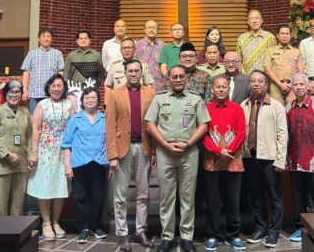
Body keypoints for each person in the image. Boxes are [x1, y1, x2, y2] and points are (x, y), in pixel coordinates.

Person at [145, 65, 211, 252]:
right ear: (169, 79)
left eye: (182, 76)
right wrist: (165, 145)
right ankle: (167, 237)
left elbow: (204, 126)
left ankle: (186, 237)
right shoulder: (159, 98)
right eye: (175, 77)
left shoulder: (195, 99)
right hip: (165, 153)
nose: (179, 79)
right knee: (166, 198)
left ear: (186, 79)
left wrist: (188, 144)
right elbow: (150, 124)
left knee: (187, 197)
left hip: (188, 153)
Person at [106, 59, 156, 251]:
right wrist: (112, 155)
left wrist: (154, 151)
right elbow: (109, 125)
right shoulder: (115, 94)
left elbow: (154, 124)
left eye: (137, 71)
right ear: (125, 73)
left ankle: (140, 231)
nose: (134, 74)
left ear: (141, 73)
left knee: (144, 194)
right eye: (130, 71)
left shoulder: (150, 93)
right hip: (122, 150)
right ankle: (122, 234)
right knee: (120, 195)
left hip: (143, 147)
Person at [241, 70, 287, 248]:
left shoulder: (276, 106)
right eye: (253, 81)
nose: (256, 84)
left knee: (275, 196)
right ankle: (261, 227)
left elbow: (283, 134)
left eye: (260, 81)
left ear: (266, 85)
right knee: (256, 195)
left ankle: (274, 230)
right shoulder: (244, 105)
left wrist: (280, 159)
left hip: (269, 157)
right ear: (249, 85)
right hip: (250, 156)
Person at [27, 74, 75, 240]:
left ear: (64, 88)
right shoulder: (42, 104)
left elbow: (74, 127)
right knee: (45, 186)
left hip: (64, 151)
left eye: (59, 86)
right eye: (53, 86)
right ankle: (46, 223)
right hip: (45, 151)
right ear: (48, 88)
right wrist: (34, 152)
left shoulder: (68, 104)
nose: (56, 89)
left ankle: (56, 222)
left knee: (60, 187)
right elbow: (35, 128)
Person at [202, 75, 247, 251]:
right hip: (212, 160)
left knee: (232, 200)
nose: (221, 89)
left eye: (224, 86)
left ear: (229, 89)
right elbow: (203, 134)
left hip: (233, 160)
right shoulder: (205, 109)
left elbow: (241, 132)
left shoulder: (237, 109)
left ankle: (232, 235)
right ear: (212, 89)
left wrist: (229, 150)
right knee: (212, 200)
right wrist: (218, 150)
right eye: (217, 86)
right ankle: (212, 234)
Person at [285, 73, 314, 243]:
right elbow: (285, 135)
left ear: (307, 86)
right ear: (291, 87)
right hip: (295, 161)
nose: (298, 87)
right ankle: (300, 228)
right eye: (295, 84)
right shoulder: (288, 108)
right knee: (299, 198)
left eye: (301, 84)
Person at [62, 87, 109, 243]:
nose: (90, 100)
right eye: (87, 98)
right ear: (82, 100)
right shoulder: (75, 119)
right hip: (79, 164)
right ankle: (83, 228)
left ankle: (95, 227)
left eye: (93, 98)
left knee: (98, 197)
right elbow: (66, 144)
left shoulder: (104, 118)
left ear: (98, 101)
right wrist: (67, 166)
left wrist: (110, 162)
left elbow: (109, 142)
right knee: (80, 197)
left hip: (99, 164)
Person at [0, 81, 31, 216]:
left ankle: (15, 229)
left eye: (17, 92)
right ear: (5, 94)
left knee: (17, 206)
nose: (14, 95)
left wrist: (30, 155)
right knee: (0, 207)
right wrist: (8, 155)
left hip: (20, 164)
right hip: (1, 165)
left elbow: (29, 137)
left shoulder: (25, 113)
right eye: (11, 92)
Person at [21, 27, 65, 115]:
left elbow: (61, 73)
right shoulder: (31, 53)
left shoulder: (57, 53)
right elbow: (26, 73)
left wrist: (60, 89)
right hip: (34, 94)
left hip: (52, 93)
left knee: (51, 119)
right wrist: (25, 90)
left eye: (49, 36)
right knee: (33, 119)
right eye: (43, 36)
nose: (46, 38)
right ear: (39, 39)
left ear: (52, 39)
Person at [104, 38, 154, 102]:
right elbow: (108, 86)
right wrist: (106, 103)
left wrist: (147, 101)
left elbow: (149, 84)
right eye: (124, 48)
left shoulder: (142, 65)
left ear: (134, 50)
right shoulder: (114, 66)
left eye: (130, 48)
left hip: (138, 101)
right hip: (118, 102)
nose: (127, 50)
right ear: (120, 50)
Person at [264, 25, 304, 105]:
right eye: (282, 33)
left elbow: (301, 70)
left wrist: (292, 84)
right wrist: (280, 84)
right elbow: (267, 70)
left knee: (293, 109)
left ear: (290, 36)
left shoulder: (297, 52)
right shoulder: (270, 51)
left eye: (287, 33)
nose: (284, 36)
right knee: (277, 109)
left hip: (292, 87)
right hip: (275, 87)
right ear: (277, 35)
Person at [237, 9, 276, 74]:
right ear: (248, 22)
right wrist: (242, 74)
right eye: (252, 18)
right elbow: (238, 59)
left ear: (261, 21)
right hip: (246, 76)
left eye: (257, 18)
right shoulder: (241, 38)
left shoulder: (270, 37)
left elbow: (274, 59)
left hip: (265, 76)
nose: (254, 21)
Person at [135, 20, 166, 91]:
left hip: (160, 85)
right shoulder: (138, 45)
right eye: (149, 27)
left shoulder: (162, 44)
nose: (151, 30)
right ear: (144, 29)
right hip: (144, 85)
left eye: (154, 28)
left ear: (157, 30)